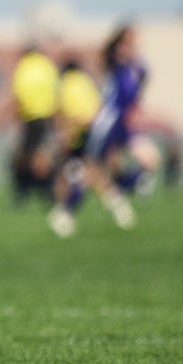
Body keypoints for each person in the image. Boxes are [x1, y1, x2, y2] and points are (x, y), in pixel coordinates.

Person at [47, 57, 135, 237]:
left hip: (82, 134)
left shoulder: (67, 85)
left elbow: (70, 115)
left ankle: (65, 213)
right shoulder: (86, 82)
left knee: (84, 174)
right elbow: (97, 108)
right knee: (88, 173)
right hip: (98, 131)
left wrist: (66, 135)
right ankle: (66, 213)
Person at [87, 23, 159, 197]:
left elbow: (138, 90)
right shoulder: (115, 65)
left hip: (127, 123)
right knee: (97, 166)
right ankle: (67, 210)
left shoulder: (138, 68)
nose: (131, 46)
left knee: (151, 158)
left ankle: (128, 186)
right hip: (111, 121)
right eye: (127, 42)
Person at [9, 45, 59, 206]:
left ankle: (35, 191)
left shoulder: (24, 67)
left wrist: (16, 116)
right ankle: (41, 191)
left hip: (31, 117)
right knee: (38, 155)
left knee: (28, 157)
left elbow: (19, 94)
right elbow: (56, 91)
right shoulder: (47, 66)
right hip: (48, 116)